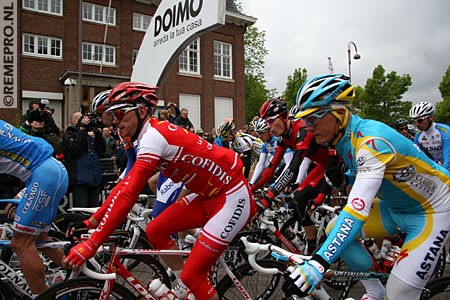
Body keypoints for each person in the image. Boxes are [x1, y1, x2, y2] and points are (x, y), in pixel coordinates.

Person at [62, 82, 256, 300]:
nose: (115, 122)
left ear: (142, 111)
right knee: (155, 230)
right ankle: (184, 284)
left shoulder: (153, 137)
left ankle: (190, 281)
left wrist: (93, 242)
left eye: (118, 114)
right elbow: (125, 183)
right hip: (207, 194)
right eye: (111, 116)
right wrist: (93, 222)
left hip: (232, 195)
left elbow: (130, 193)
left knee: (195, 276)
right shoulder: (143, 135)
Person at [288, 74, 450, 300]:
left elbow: (356, 209)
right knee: (333, 228)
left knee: (398, 295)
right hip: (396, 208)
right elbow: (379, 178)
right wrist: (346, 179)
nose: (309, 127)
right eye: (306, 120)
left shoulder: (371, 141)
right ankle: (374, 290)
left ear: (340, 113)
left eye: (314, 118)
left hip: (432, 212)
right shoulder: (345, 138)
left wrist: (319, 262)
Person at [251, 97, 334, 255]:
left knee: (301, 199)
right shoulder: (284, 137)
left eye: (270, 121)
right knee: (296, 202)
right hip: (321, 166)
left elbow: (293, 167)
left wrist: (268, 197)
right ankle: (312, 246)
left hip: (333, 166)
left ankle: (314, 250)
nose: (269, 128)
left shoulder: (301, 129)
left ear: (282, 116)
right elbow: (271, 167)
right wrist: (252, 188)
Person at [0, 119, 68, 297]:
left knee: (20, 243)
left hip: (43, 175)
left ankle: (42, 295)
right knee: (37, 236)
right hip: (50, 170)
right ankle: (81, 272)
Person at [63, 111, 105, 207]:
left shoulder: (89, 135)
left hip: (94, 179)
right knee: (82, 211)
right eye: (82, 118)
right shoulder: (70, 133)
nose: (85, 121)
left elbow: (101, 149)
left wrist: (97, 133)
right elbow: (75, 149)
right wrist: (82, 129)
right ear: (74, 121)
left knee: (94, 211)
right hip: (80, 180)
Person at [249, 118, 294, 186]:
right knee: (269, 183)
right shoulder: (265, 145)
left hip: (294, 165)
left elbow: (289, 163)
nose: (260, 137)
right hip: (283, 166)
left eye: (262, 133)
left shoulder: (279, 140)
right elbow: (261, 164)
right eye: (258, 133)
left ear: (269, 131)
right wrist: (251, 183)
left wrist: (277, 183)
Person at [409, 101, 450, 171]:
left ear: (431, 117)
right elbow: (419, 158)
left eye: (420, 120)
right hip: (439, 164)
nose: (417, 124)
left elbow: (448, 157)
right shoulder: (418, 137)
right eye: (414, 121)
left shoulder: (445, 131)